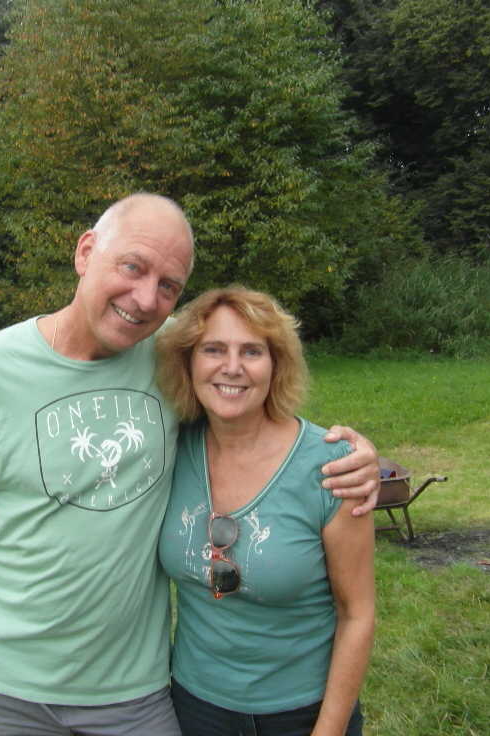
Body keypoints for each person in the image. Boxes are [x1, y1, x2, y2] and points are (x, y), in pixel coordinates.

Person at [0, 194, 380, 736]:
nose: (144, 300)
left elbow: (246, 393)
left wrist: (355, 456)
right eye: (133, 267)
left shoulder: (171, 353)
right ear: (85, 251)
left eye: (169, 286)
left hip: (131, 692)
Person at [156, 287, 376, 736]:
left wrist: (328, 731)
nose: (232, 367)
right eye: (213, 349)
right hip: (193, 707)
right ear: (188, 362)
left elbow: (356, 615)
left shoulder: (332, 469)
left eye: (252, 351)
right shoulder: (169, 448)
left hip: (301, 714)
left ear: (277, 365)